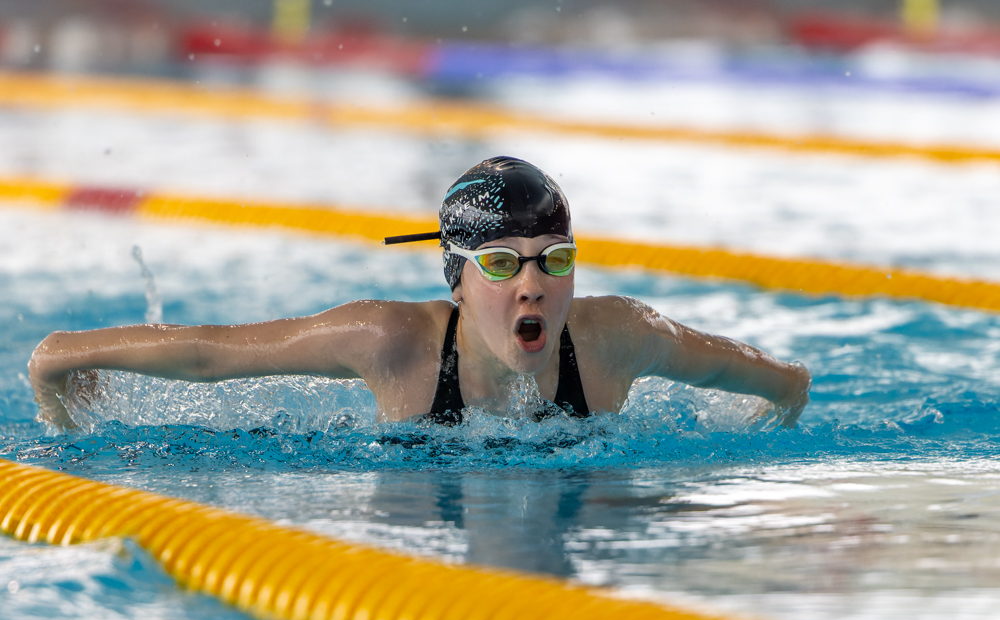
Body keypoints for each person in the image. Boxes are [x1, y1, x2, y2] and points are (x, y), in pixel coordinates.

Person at [28, 156, 810, 430]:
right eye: (501, 264)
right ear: (457, 280)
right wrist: (62, 359)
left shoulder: (616, 340)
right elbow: (213, 352)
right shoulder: (394, 345)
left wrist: (777, 415)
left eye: (554, 260)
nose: (533, 285)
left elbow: (778, 382)